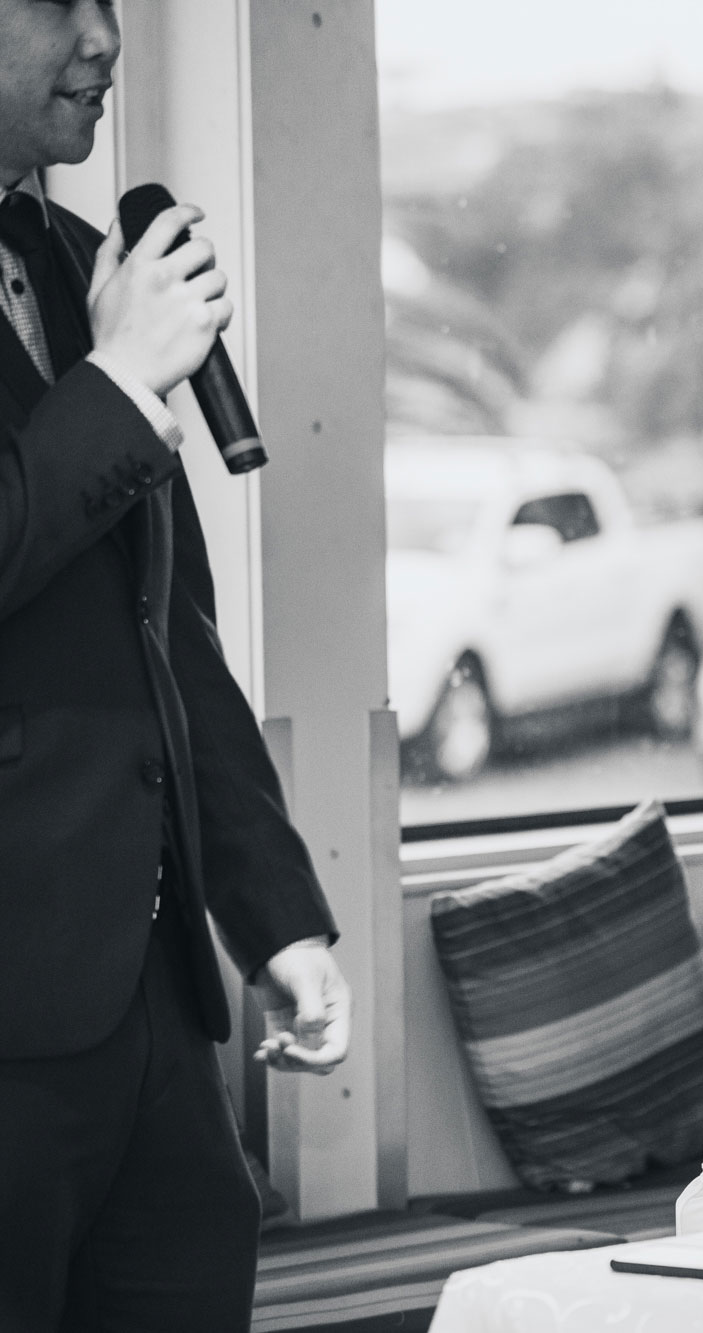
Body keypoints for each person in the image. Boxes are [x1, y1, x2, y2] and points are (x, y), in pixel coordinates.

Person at [0, 2, 350, 1328]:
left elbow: (168, 634)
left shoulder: (88, 263)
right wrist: (118, 376)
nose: (104, 38)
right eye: (57, 2)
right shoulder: (118, 331)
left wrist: (278, 917)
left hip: (151, 1013)